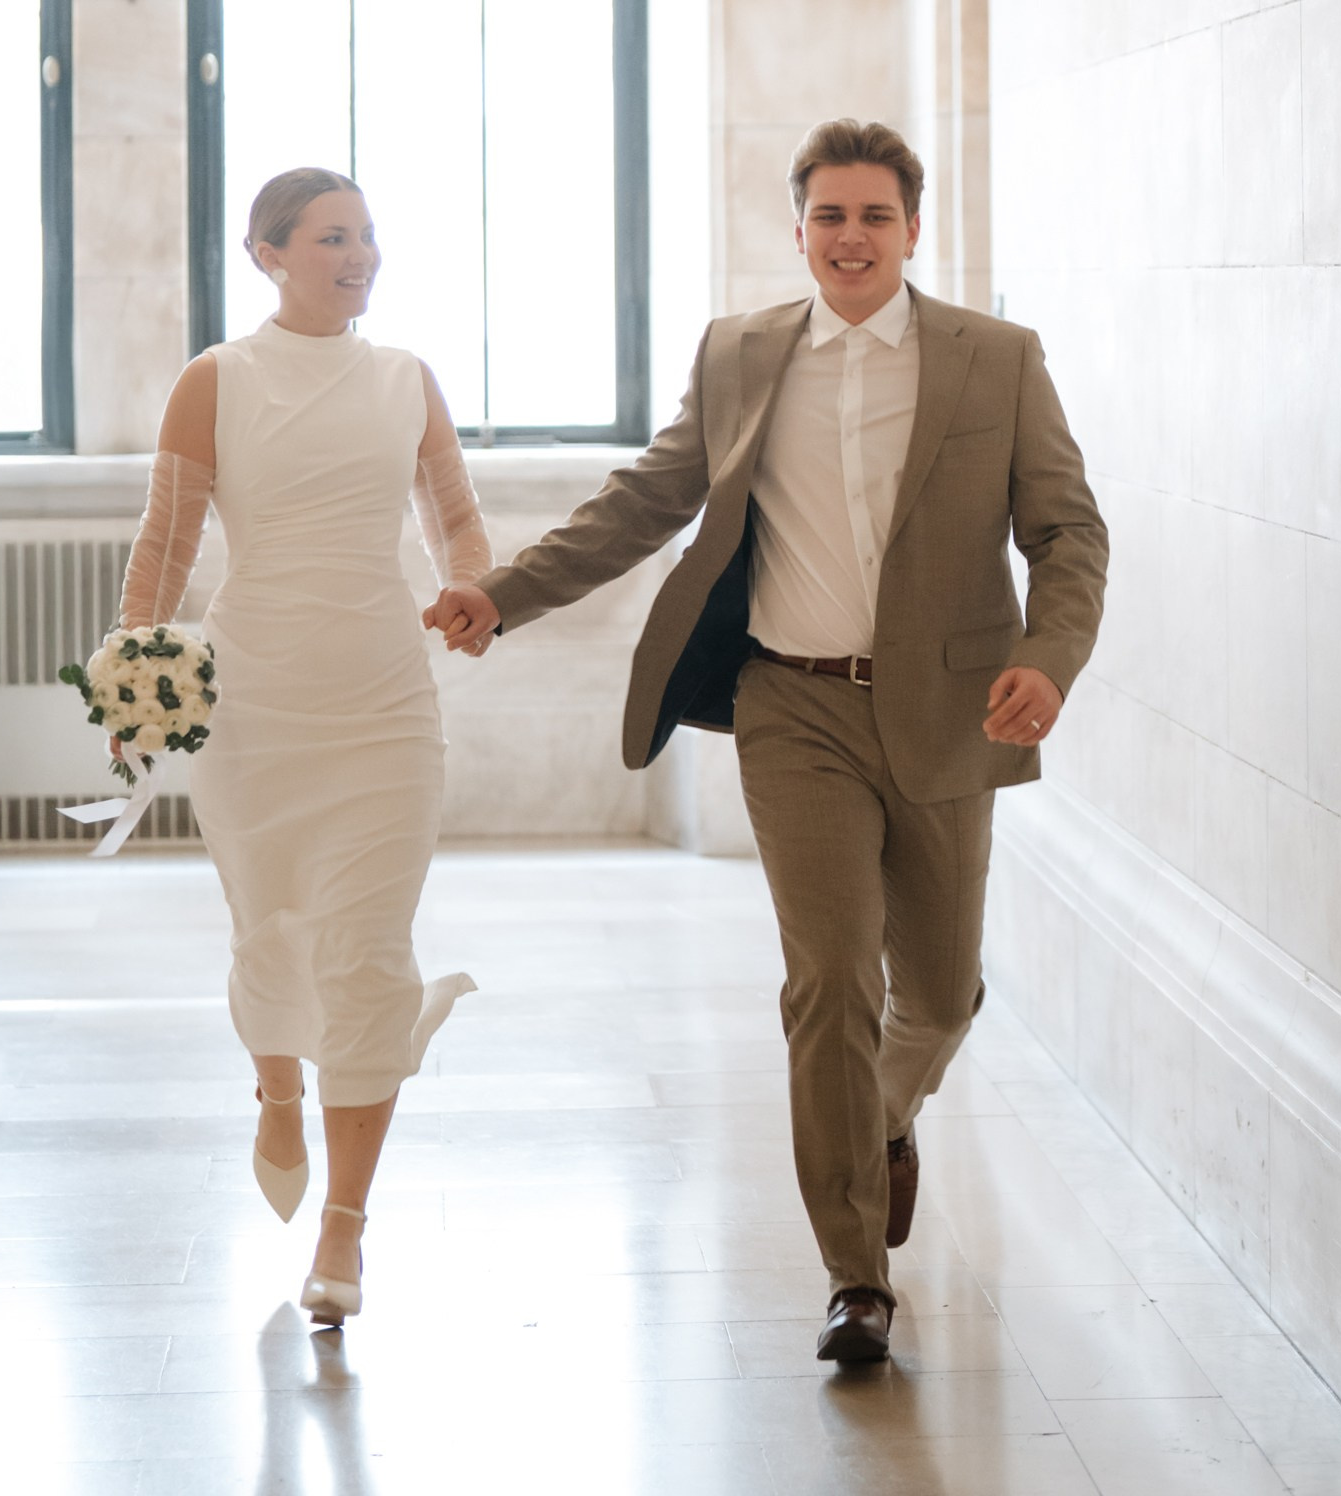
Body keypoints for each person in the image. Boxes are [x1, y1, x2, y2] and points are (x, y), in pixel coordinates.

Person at [425, 117, 1107, 1366]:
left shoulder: (994, 359)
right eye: (828, 216)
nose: (850, 238)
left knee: (939, 996)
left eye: (875, 217)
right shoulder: (741, 354)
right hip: (790, 707)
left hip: (947, 709)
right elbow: (647, 498)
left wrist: (1045, 661)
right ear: (796, 228)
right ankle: (857, 1278)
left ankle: (884, 1117)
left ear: (913, 229)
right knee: (829, 978)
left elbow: (1066, 532)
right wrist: (506, 592)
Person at [121, 165, 489, 1328]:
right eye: (333, 237)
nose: (359, 256)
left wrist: (470, 587)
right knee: (270, 930)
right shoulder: (214, 382)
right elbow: (167, 539)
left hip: (383, 708)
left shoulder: (404, 380)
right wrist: (135, 659)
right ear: (268, 254)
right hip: (255, 712)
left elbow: (454, 518)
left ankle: (345, 1228)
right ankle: (274, 1081)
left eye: (368, 237)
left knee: (368, 953)